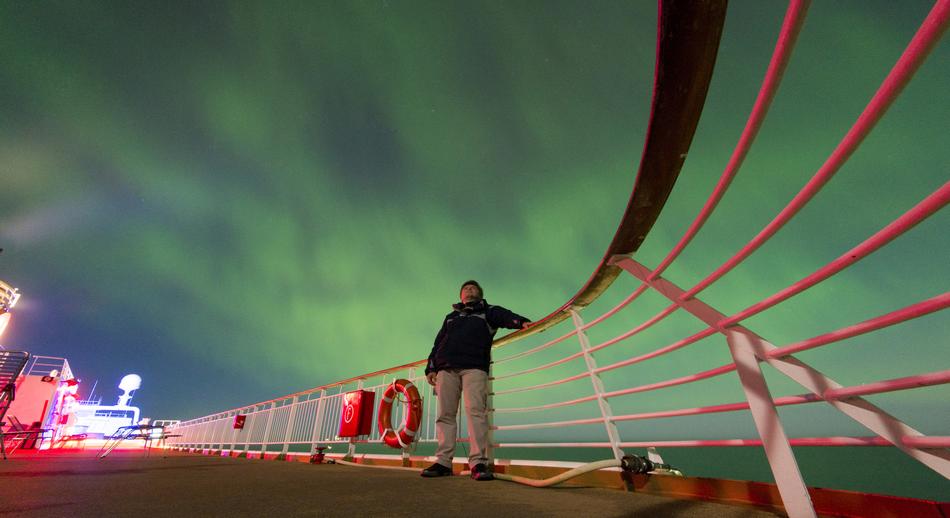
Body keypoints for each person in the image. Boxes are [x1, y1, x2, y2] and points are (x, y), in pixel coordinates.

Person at [420, 280, 531, 481]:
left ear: (480, 294)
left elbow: (506, 317)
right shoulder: (451, 317)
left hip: (474, 367)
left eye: (473, 288)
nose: (469, 290)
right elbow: (438, 343)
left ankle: (478, 462)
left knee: (476, 413)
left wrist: (521, 322)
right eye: (466, 289)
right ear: (461, 295)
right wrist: (430, 367)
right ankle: (443, 462)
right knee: (445, 414)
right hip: (446, 369)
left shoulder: (488, 311)